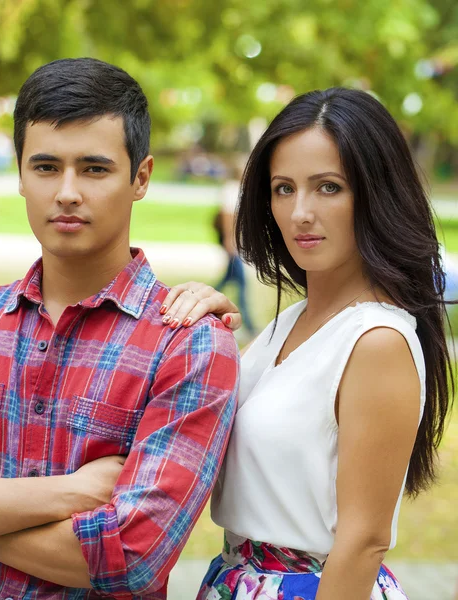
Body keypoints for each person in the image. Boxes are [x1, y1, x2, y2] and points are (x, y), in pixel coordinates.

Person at [0, 58, 239, 599]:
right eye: (44, 167)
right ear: (19, 174)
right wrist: (70, 494)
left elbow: (132, 556)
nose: (66, 192)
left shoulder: (188, 343)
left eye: (94, 168)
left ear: (142, 178)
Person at [160, 88, 453, 599]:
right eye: (283, 188)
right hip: (237, 577)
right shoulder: (288, 325)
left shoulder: (375, 341)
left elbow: (363, 543)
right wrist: (209, 336)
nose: (300, 212)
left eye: (328, 187)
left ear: (375, 194)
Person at [212, 160, 257, 337]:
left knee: (228, 280)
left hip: (234, 244)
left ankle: (203, 301)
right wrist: (230, 241)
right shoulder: (232, 189)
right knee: (242, 284)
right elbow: (227, 217)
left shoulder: (236, 189)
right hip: (232, 244)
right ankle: (250, 324)